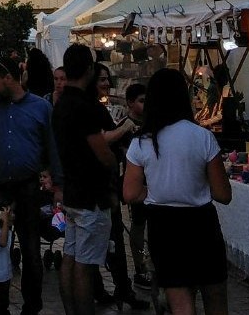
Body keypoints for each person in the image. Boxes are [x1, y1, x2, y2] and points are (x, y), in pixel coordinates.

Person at [123, 67, 232, 315]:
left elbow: (130, 193)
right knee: (215, 298)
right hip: (201, 222)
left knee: (180, 301)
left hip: (164, 225)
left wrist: (154, 191)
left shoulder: (142, 141)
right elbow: (223, 194)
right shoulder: (202, 137)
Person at [0, 58, 62, 315]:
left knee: (31, 250)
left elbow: (52, 147)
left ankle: (31, 306)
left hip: (28, 188)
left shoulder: (41, 107)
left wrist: (57, 184)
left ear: (9, 78)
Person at [53, 45, 117, 315]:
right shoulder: (83, 107)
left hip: (72, 191)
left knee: (71, 256)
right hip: (91, 195)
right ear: (89, 69)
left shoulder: (60, 104)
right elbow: (102, 153)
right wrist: (114, 166)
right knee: (86, 264)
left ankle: (71, 310)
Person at [93, 64, 144, 309]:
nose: (106, 84)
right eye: (101, 79)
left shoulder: (99, 108)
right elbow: (102, 141)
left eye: (107, 79)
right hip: (100, 187)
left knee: (112, 239)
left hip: (108, 185)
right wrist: (123, 129)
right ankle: (113, 289)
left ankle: (120, 288)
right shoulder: (92, 110)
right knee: (108, 238)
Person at [122, 81, 150, 287]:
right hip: (137, 184)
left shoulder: (152, 124)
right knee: (138, 225)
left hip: (154, 182)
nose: (145, 104)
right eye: (141, 100)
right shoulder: (124, 127)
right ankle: (140, 265)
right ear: (130, 103)